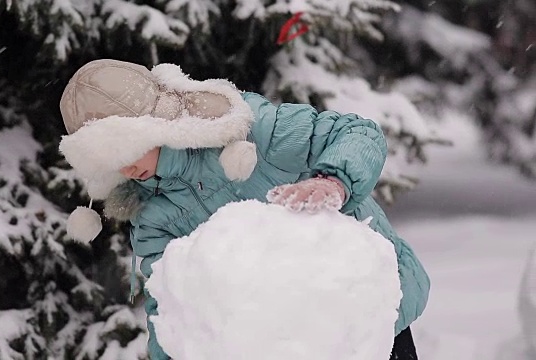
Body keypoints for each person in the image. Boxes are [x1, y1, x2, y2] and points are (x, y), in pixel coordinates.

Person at [58, 59, 430, 360]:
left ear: (152, 126)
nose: (124, 168)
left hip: (361, 307)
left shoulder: (253, 131)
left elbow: (356, 133)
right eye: (109, 160)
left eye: (125, 148)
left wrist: (333, 180)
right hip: (281, 342)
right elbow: (170, 306)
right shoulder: (152, 215)